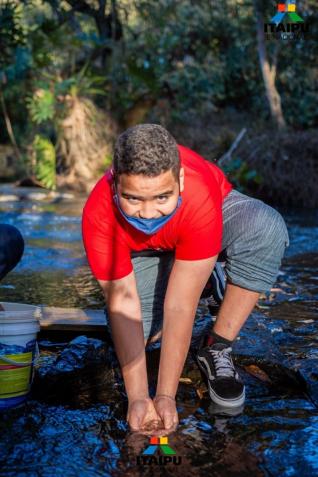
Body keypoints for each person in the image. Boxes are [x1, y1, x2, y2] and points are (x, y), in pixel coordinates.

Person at [82, 124, 289, 434]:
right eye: (134, 199)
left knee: (265, 226)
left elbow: (180, 306)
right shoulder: (98, 214)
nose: (148, 214)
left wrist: (166, 396)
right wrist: (138, 398)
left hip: (203, 224)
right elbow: (124, 302)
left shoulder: (199, 192)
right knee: (142, 333)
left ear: (179, 180)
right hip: (146, 255)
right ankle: (201, 277)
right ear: (115, 188)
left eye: (162, 197)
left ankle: (215, 344)